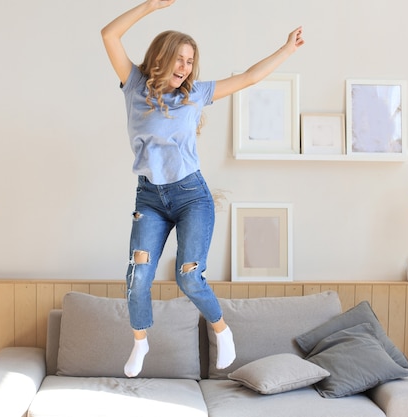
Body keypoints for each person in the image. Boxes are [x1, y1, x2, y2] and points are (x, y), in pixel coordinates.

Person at [101, 0, 304, 378]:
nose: (185, 68)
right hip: (149, 197)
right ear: (160, 58)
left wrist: (286, 49)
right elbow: (108, 35)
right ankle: (141, 341)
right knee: (138, 274)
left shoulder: (194, 95)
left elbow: (249, 78)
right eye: (179, 59)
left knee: (188, 276)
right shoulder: (133, 85)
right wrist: (149, 6)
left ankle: (221, 330)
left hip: (191, 195)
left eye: (190, 61)